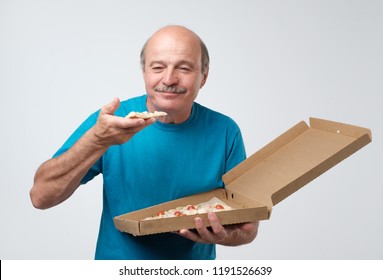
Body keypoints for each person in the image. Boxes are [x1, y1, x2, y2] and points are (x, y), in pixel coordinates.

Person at [30, 25, 259, 260]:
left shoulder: (225, 131)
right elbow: (40, 196)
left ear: (204, 76)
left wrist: (224, 235)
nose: (169, 79)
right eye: (158, 67)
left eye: (184, 68)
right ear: (144, 73)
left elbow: (249, 229)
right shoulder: (111, 122)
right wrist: (96, 140)